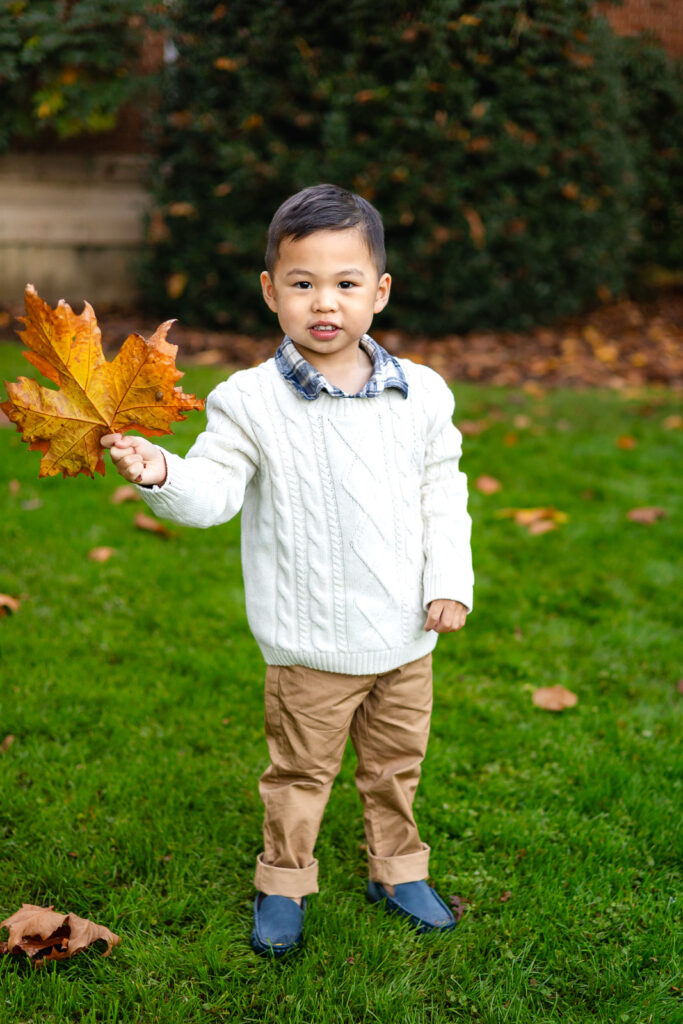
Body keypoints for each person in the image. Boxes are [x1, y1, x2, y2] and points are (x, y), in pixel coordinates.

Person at [102, 183, 474, 957]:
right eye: (303, 284)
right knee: (301, 776)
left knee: (394, 766)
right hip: (311, 644)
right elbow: (212, 495)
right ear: (272, 291)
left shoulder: (422, 395)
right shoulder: (248, 402)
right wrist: (159, 471)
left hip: (407, 637)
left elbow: (445, 494)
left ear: (380, 290)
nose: (324, 303)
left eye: (345, 283)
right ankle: (284, 881)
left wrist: (449, 583)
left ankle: (396, 869)